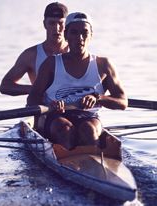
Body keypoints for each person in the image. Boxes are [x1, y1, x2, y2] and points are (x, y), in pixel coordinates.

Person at [27, 12, 128, 150]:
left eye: (84, 33)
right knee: (65, 130)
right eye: (74, 32)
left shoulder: (104, 64)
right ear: (66, 34)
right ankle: (71, 163)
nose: (80, 38)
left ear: (91, 35)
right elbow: (32, 99)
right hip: (56, 116)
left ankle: (91, 163)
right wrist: (49, 105)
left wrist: (98, 98)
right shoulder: (51, 64)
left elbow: (123, 102)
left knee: (88, 130)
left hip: (89, 116)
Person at [0, 2, 68, 96]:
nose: (56, 28)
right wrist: (35, 89)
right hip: (43, 107)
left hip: (72, 107)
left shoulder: (76, 51)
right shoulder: (31, 55)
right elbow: (5, 86)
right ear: (44, 24)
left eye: (61, 23)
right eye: (52, 23)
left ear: (67, 25)